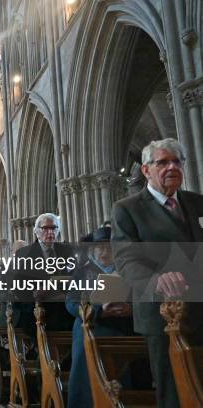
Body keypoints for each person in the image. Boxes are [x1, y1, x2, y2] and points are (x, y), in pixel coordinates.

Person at [112, 138, 203, 408]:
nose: (171, 167)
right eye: (162, 162)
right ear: (146, 170)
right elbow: (126, 259)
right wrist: (156, 281)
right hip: (163, 314)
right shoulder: (127, 209)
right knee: (175, 391)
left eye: (177, 161)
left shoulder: (197, 203)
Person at [66, 227, 134, 408]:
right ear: (92, 249)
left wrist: (131, 309)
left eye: (109, 248)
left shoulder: (127, 270)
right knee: (87, 380)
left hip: (122, 328)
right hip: (90, 329)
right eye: (100, 248)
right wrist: (98, 311)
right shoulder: (81, 271)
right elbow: (71, 303)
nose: (104, 252)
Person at [10, 213, 75, 338]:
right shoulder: (25, 253)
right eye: (45, 228)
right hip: (37, 314)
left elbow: (75, 275)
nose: (50, 232)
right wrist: (34, 294)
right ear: (36, 231)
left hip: (65, 312)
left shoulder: (66, 251)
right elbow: (17, 287)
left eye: (54, 228)